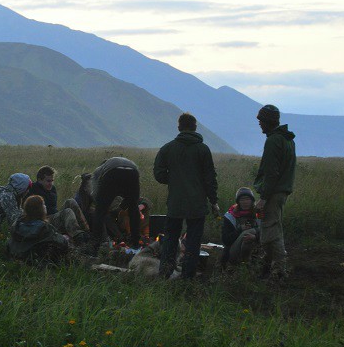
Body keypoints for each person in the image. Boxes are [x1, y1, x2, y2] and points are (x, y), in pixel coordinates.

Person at [154, 112, 221, 279]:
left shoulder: (168, 148)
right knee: (193, 242)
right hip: (197, 205)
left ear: (179, 127)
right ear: (195, 127)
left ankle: (165, 273)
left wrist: (175, 179)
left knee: (170, 238)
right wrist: (214, 201)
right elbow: (210, 178)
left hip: (175, 203)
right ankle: (188, 277)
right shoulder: (203, 150)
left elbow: (159, 174)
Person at [253, 104, 296, 279]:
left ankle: (279, 270)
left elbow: (271, 173)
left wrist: (263, 197)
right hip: (281, 192)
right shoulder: (288, 140)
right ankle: (268, 267)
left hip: (273, 193)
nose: (259, 124)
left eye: (261, 120)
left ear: (268, 121)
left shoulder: (273, 141)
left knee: (272, 230)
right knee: (271, 227)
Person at [86, 157, 141, 256]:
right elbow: (133, 194)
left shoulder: (99, 169)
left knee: (99, 212)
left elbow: (95, 192)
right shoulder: (130, 162)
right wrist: (124, 205)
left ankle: (95, 247)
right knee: (134, 210)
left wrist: (100, 204)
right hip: (133, 172)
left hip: (112, 174)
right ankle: (136, 244)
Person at [27, 166, 89, 242]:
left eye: (52, 181)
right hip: (44, 220)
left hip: (54, 216)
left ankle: (86, 231)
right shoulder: (33, 189)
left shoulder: (52, 189)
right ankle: (78, 236)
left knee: (70, 201)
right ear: (39, 180)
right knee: (67, 212)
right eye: (48, 181)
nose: (50, 183)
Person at [7, 195, 70, 265]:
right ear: (40, 210)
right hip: (34, 261)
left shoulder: (16, 225)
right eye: (43, 204)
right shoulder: (45, 228)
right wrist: (65, 238)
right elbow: (62, 242)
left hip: (15, 257)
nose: (45, 206)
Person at [220, 187, 260, 269]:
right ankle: (244, 264)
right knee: (248, 233)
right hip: (234, 251)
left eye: (247, 199)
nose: (245, 202)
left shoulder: (259, 214)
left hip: (257, 249)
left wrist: (255, 237)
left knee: (252, 233)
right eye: (242, 199)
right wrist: (240, 229)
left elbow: (267, 234)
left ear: (252, 201)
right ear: (238, 202)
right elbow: (226, 241)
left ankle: (252, 264)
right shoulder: (230, 216)